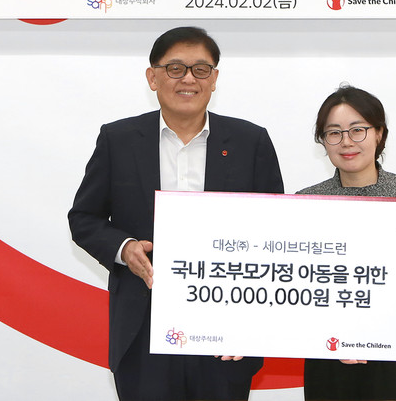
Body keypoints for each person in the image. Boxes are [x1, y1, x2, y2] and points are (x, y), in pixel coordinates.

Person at [68, 27, 284, 401]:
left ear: (214, 79)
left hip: (225, 328)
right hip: (144, 327)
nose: (188, 79)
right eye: (175, 68)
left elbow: (276, 230)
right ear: (153, 77)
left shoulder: (251, 142)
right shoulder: (118, 139)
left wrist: (251, 324)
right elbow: (84, 218)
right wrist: (124, 248)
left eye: (201, 69)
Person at [297, 85, 396, 401]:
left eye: (358, 130)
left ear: (379, 133)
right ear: (323, 141)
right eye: (334, 133)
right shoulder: (307, 200)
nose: (346, 142)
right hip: (328, 348)